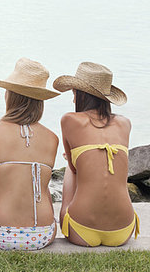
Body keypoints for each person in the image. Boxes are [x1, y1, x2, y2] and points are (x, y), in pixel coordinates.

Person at [0, 58, 60, 250]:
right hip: (45, 232)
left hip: (0, 234)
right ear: (40, 102)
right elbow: (43, 188)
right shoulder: (52, 138)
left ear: (10, 96)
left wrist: (4, 204)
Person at [53, 61, 139, 247]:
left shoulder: (70, 120)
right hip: (124, 229)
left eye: (74, 93)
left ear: (80, 94)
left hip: (80, 227)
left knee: (70, 163)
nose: (73, 99)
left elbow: (74, 169)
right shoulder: (125, 123)